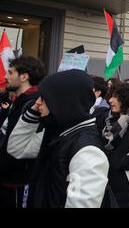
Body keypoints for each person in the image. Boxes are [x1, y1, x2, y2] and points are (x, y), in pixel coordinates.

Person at [7, 69, 109, 207]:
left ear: (62, 101)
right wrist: (32, 113)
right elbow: (16, 149)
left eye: (44, 97)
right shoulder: (59, 133)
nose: (37, 103)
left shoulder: (87, 150)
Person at [0, 56, 45, 208]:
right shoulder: (19, 101)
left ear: (24, 76)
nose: (6, 76)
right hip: (8, 177)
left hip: (18, 180)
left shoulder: (34, 104)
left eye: (10, 72)